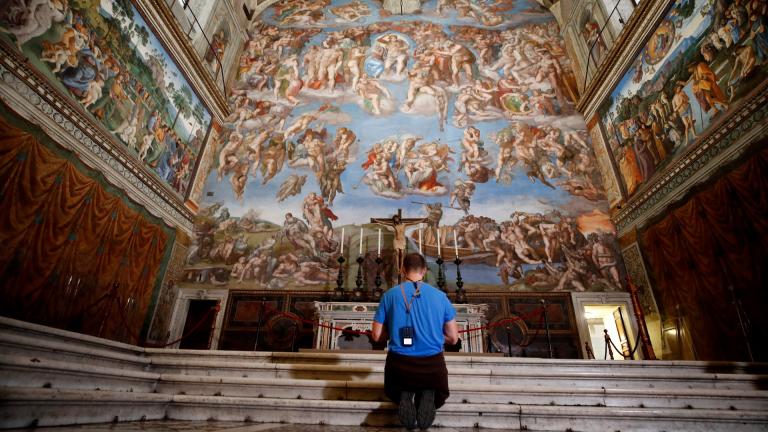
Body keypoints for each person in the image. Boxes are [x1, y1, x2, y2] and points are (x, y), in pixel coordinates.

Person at [371, 253, 459, 430]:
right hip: (432, 366)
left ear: (402, 270)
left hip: (400, 365)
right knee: (436, 390)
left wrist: (395, 333)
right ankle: (428, 393)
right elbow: (453, 338)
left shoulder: (389, 295)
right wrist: (431, 334)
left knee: (396, 387)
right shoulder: (440, 296)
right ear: (424, 271)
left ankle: (405, 393)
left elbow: (376, 335)